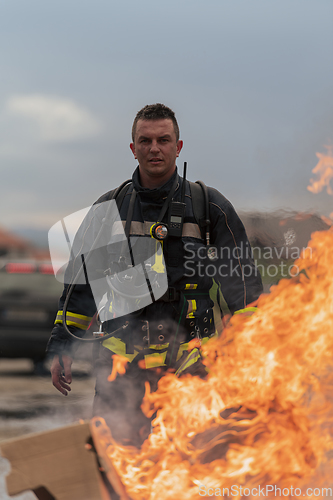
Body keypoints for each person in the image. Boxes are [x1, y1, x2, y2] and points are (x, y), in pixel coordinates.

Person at [47, 103, 263, 447]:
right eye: (145, 141)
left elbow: (244, 289)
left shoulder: (209, 207)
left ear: (178, 147)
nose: (154, 148)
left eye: (163, 140)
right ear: (133, 149)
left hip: (192, 367)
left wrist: (254, 350)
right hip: (122, 370)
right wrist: (63, 345)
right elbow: (80, 288)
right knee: (118, 466)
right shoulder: (109, 209)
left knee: (193, 465)